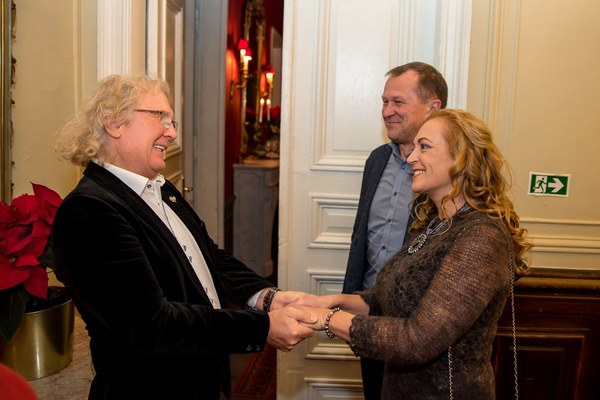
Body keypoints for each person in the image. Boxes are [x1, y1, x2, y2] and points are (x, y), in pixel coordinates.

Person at [51, 74, 316, 400]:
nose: (172, 132)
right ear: (113, 123)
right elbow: (150, 325)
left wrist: (264, 297)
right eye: (160, 118)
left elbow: (207, 256)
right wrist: (263, 327)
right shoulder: (89, 211)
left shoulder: (160, 188)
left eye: (172, 121)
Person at [299, 109, 532, 398]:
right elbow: (387, 300)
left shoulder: (481, 236)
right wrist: (331, 302)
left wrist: (325, 318)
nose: (411, 158)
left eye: (424, 147)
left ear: (462, 159)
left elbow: (416, 340)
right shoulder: (433, 223)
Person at [342, 61, 448, 399]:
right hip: (368, 312)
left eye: (398, 102)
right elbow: (362, 240)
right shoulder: (377, 160)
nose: (387, 111)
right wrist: (350, 299)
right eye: (384, 102)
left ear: (433, 107)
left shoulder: (449, 172)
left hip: (417, 328)